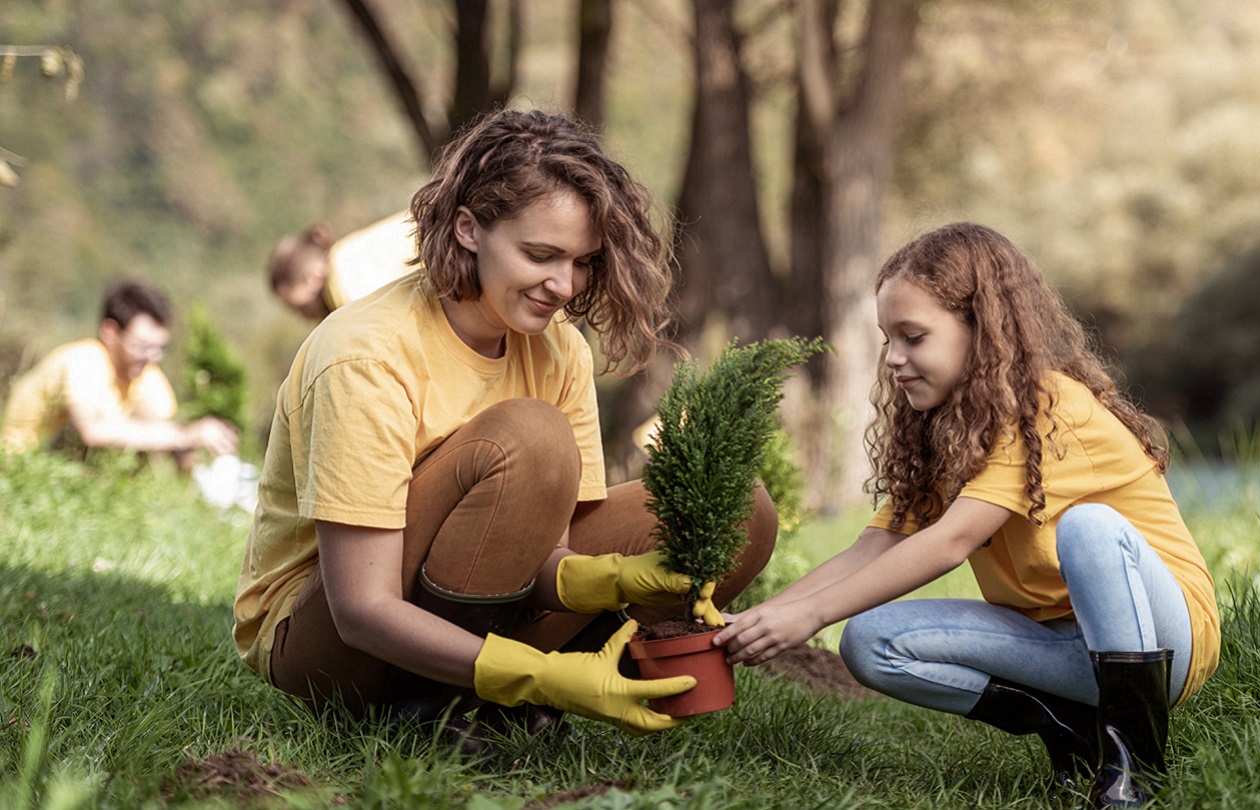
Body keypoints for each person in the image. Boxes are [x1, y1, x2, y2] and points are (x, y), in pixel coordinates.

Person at [233, 108, 778, 741]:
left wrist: (612, 578)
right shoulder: (366, 355)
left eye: (582, 262)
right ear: (468, 229)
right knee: (530, 436)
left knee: (742, 509)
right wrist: (541, 676)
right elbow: (361, 608)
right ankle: (439, 707)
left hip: (476, 610)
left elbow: (538, 552)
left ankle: (516, 696)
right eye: (540, 254)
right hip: (332, 640)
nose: (563, 285)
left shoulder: (558, 349)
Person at [715, 223, 1219, 806]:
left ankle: (1134, 768)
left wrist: (810, 618)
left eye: (914, 337)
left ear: (982, 330)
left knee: (1091, 528)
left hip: (1160, 647)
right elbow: (872, 548)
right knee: (869, 641)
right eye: (887, 339)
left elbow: (951, 541)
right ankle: (1071, 727)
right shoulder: (951, 426)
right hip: (1058, 644)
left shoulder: (1049, 406)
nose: (895, 359)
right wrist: (763, 618)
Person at [1, 281, 239, 463]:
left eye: (160, 348)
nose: (153, 357)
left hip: (68, 479)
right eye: (143, 347)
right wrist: (186, 434)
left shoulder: (146, 375)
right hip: (19, 465)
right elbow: (92, 432)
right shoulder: (85, 359)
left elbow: (165, 431)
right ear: (110, 332)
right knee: (108, 431)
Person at [267, 211, 417, 319]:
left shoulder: (350, 300)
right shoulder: (350, 248)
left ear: (313, 276)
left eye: (299, 309)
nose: (303, 318)